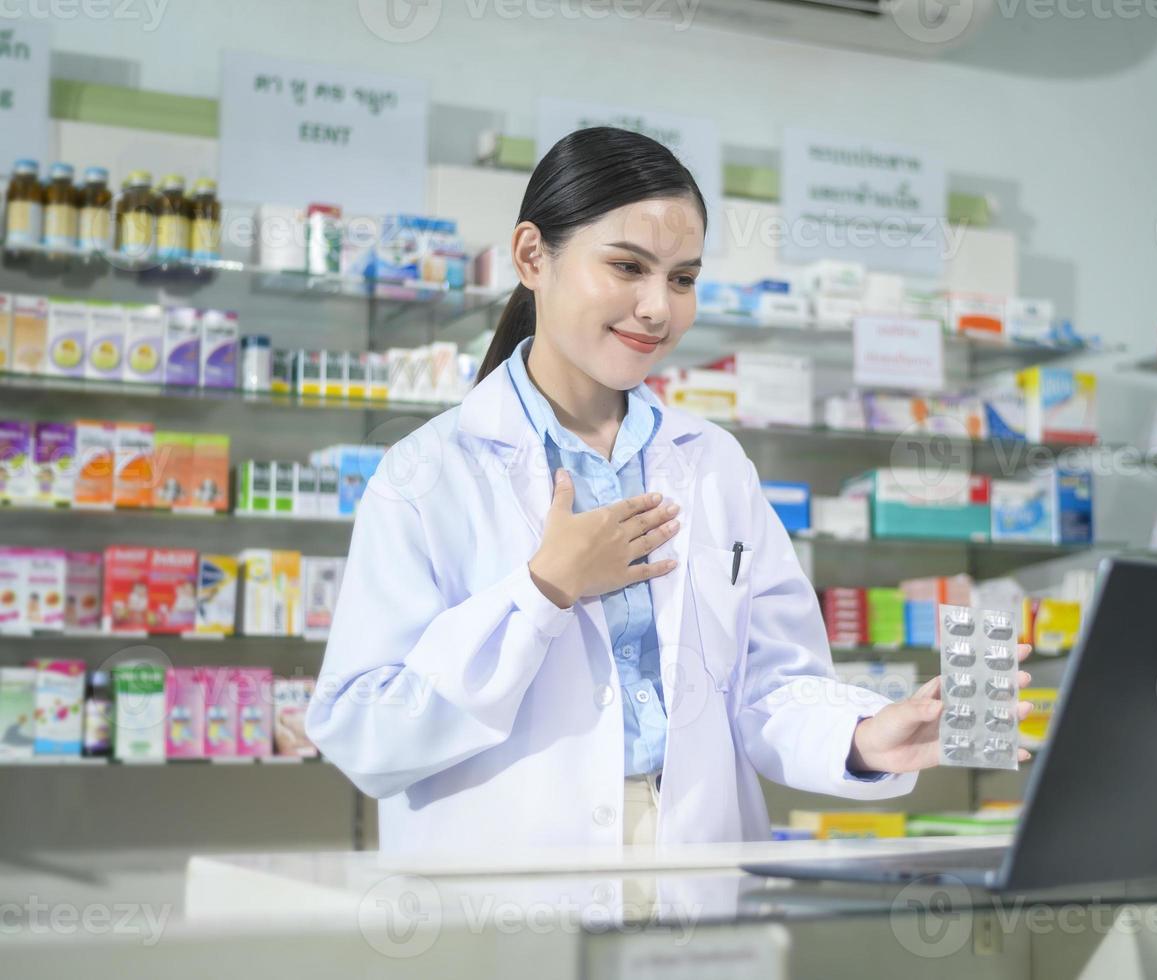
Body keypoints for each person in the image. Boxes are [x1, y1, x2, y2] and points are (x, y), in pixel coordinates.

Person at [306, 126, 1032, 855]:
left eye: (682, 279)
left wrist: (866, 737)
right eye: (627, 266)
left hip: (697, 859)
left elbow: (769, 686)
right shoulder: (426, 473)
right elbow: (365, 733)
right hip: (509, 874)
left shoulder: (714, 464)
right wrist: (541, 591)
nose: (658, 307)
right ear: (532, 256)